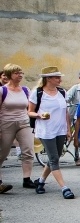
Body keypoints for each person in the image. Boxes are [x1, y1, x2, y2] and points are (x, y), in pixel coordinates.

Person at [27, 66, 74, 199]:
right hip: (46, 130)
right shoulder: (37, 92)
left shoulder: (62, 92)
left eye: (59, 77)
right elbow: (29, 111)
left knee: (56, 156)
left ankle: (41, 181)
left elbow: (65, 111)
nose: (59, 79)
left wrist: (68, 128)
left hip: (60, 130)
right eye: (56, 77)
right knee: (54, 158)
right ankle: (64, 188)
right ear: (48, 79)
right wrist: (39, 116)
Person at [0, 64, 35, 192]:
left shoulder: (25, 90)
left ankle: (27, 179)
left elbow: (30, 108)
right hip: (6, 123)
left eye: (21, 72)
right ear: (9, 75)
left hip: (23, 123)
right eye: (16, 73)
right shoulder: (3, 91)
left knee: (28, 150)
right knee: (2, 153)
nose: (20, 75)